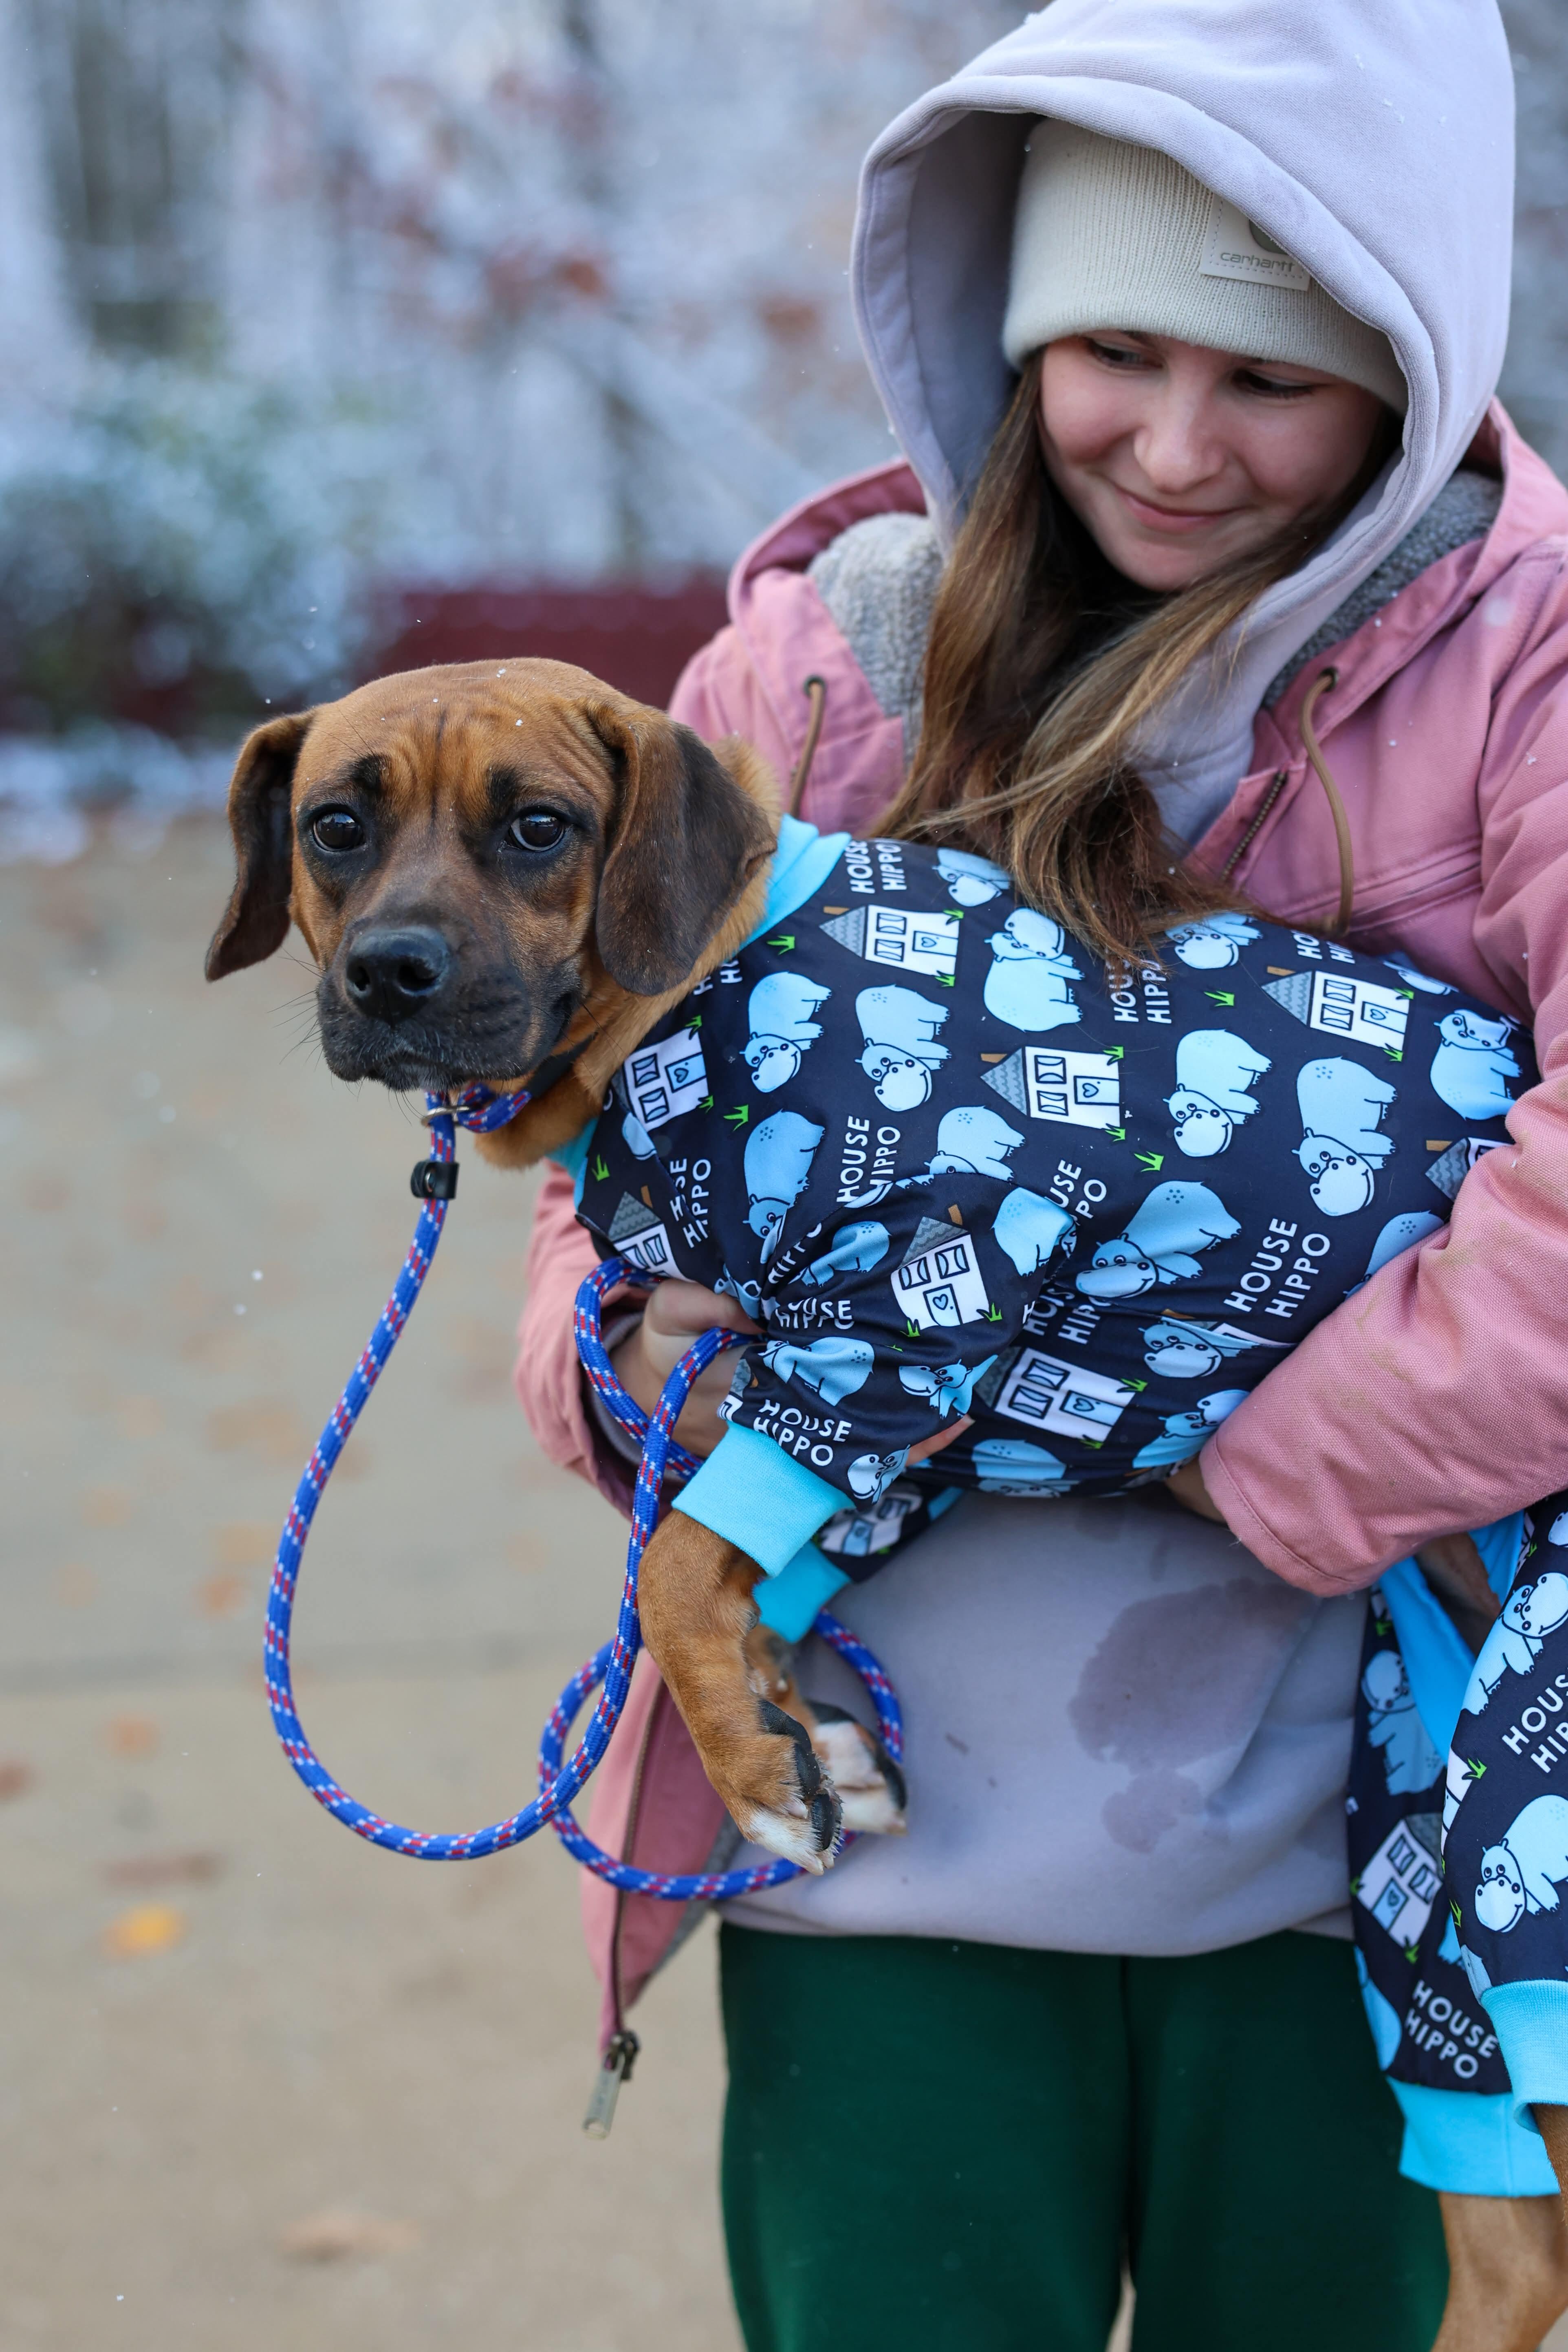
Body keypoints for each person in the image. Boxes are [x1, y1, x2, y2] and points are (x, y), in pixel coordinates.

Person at [515, 3, 1568, 2344]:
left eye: (1273, 378)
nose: (1175, 450)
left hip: (1339, 1873)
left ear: (1407, 363)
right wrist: (623, 1359)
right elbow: (622, 1144)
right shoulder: (826, 667)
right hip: (880, 1881)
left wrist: (1259, 1472)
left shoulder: (1529, 674)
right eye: (1112, 350)